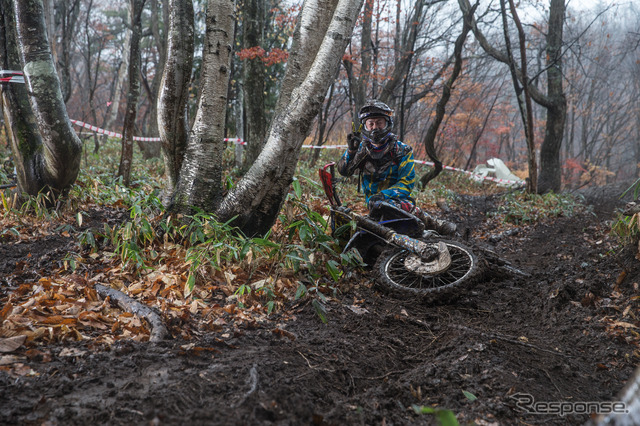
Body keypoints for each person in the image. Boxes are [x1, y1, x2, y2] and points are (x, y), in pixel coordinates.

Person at [337, 99, 456, 235]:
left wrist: (384, 196)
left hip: (399, 202)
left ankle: (434, 223)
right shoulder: (361, 150)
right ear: (365, 126)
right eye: (371, 124)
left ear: (387, 123)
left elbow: (407, 183)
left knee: (395, 209)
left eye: (379, 123)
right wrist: (351, 152)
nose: (375, 127)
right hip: (372, 208)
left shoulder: (402, 150)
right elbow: (344, 172)